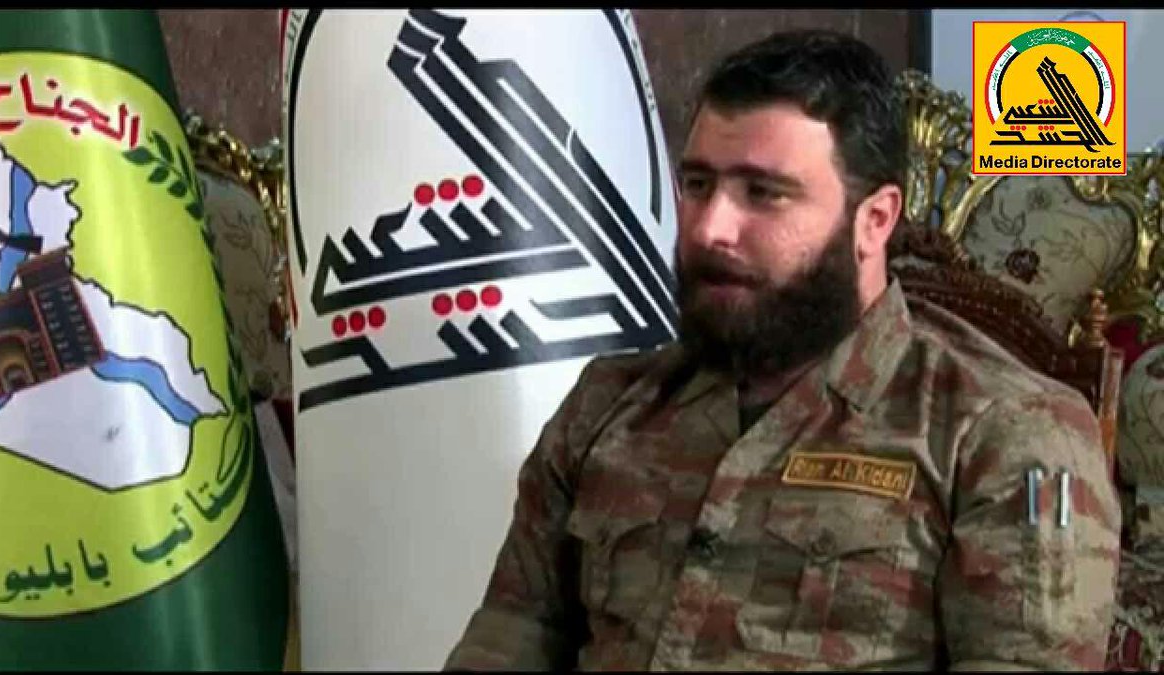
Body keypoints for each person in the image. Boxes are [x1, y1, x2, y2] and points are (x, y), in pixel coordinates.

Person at [444, 29, 1120, 671]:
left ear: (874, 220)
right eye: (698, 185)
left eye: (763, 193)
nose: (711, 229)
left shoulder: (1007, 433)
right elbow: (510, 635)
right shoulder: (608, 404)